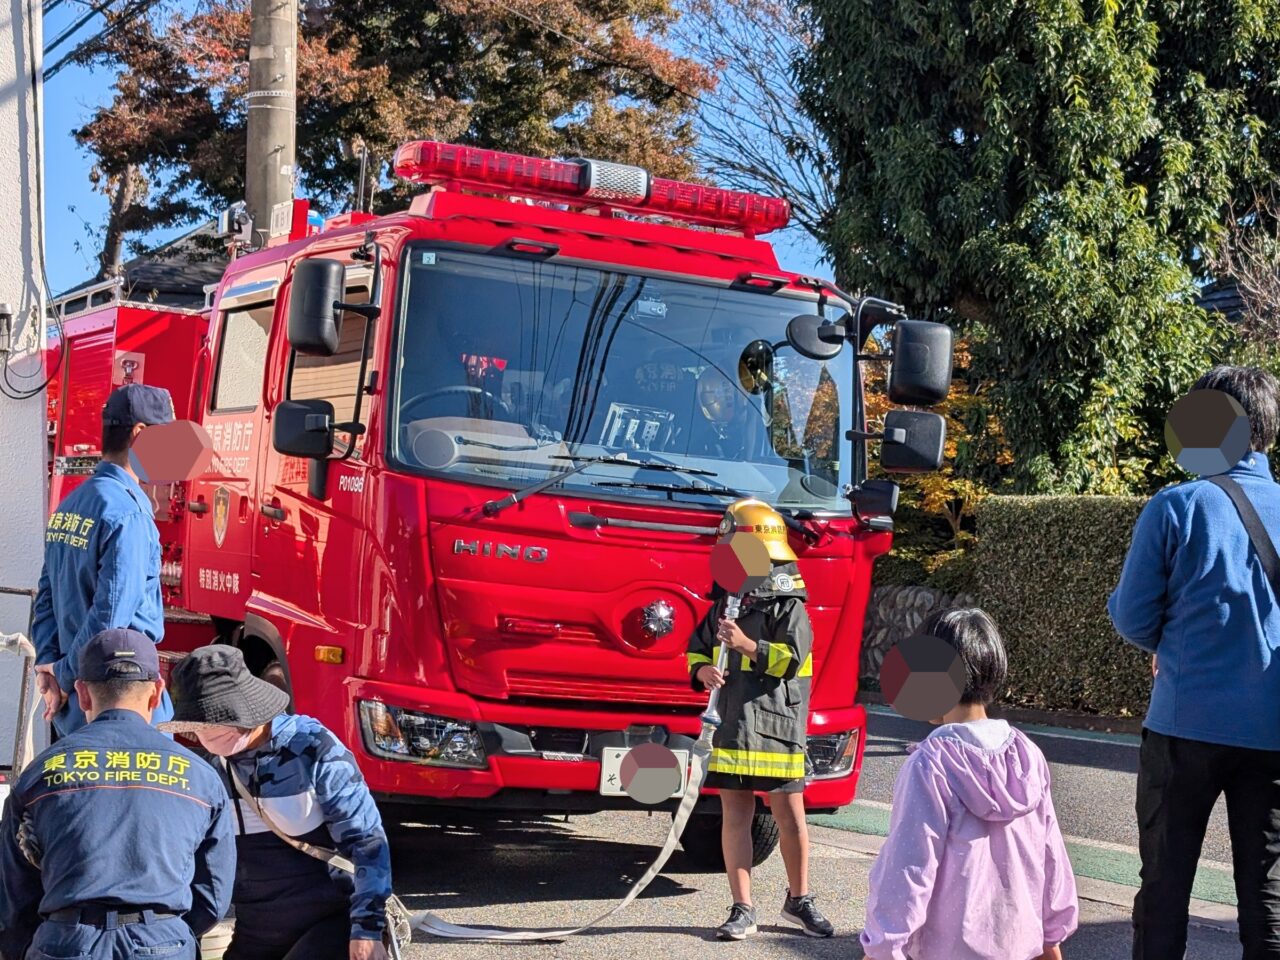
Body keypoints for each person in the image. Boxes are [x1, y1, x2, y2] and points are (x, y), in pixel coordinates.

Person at [1109, 365, 1280, 959]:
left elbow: (1131, 615)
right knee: (1269, 898)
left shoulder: (1178, 506)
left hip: (1185, 725)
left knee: (1164, 886)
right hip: (1274, 734)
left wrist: (1169, 643)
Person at [0, 628, 235, 960]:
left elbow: (13, 897)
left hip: (65, 942)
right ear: (157, 694)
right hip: (162, 943)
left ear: (82, 694)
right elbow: (212, 896)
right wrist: (163, 930)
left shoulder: (39, 775)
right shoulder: (201, 778)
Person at [860, 608, 1078, 960]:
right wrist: (1052, 935)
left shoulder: (932, 764)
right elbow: (1051, 855)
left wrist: (883, 947)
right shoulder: (1027, 756)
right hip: (1019, 944)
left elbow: (909, 866)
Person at [160, 645, 392, 960]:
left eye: (208, 723)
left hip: (329, 923)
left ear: (241, 714)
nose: (202, 734)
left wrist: (367, 928)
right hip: (257, 929)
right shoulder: (213, 768)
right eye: (196, 726)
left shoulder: (314, 749)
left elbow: (367, 842)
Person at [686, 498, 834, 940]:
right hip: (732, 724)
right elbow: (695, 648)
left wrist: (749, 646)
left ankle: (800, 899)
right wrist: (701, 670)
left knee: (790, 815)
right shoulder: (724, 604)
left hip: (778, 727)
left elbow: (794, 658)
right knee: (735, 814)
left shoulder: (789, 605)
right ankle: (742, 908)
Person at [32, 383, 176, 736]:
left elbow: (46, 597)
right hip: (124, 700)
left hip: (76, 708)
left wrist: (50, 667)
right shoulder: (128, 514)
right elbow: (111, 618)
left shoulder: (72, 504)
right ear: (140, 435)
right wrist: (63, 676)